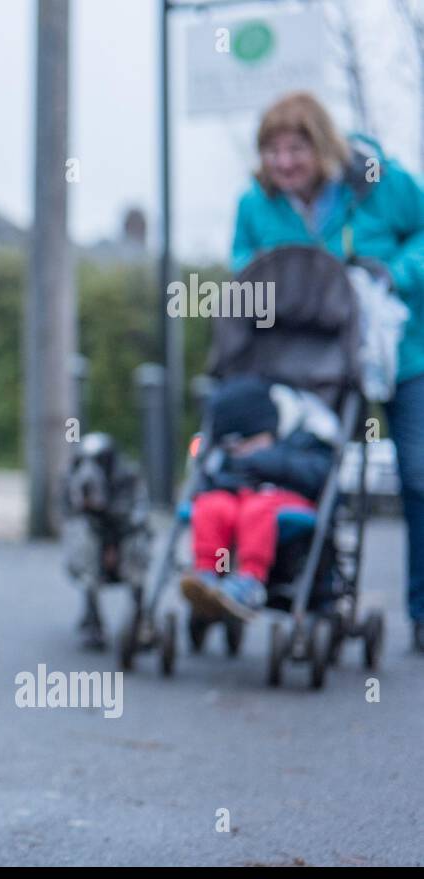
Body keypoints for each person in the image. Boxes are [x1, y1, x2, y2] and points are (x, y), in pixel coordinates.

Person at [231, 91, 424, 649]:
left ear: (322, 146)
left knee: (417, 474)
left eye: (295, 149)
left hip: (400, 351)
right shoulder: (256, 205)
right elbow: (243, 265)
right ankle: (311, 582)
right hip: (312, 361)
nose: (283, 163)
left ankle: (422, 609)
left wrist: (393, 273)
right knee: (308, 462)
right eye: (272, 151)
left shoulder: (380, 184)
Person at [181, 376, 336, 623]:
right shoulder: (228, 454)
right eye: (234, 446)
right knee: (212, 506)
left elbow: (320, 472)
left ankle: (249, 581)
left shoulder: (305, 434)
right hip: (237, 498)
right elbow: (208, 477)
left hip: (282, 496)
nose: (241, 449)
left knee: (257, 508)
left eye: (249, 442)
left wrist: (270, 462)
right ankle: (210, 572)